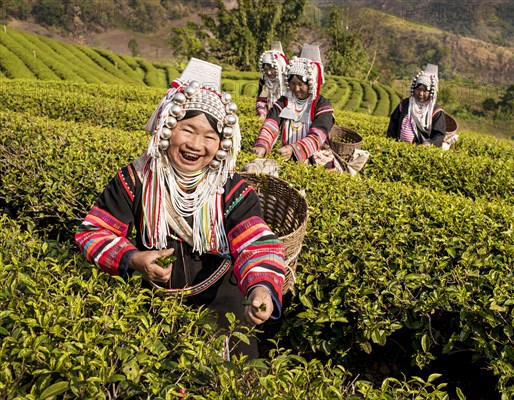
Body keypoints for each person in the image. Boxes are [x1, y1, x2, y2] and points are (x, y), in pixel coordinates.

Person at [74, 58, 286, 359]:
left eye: (210, 137)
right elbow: (94, 232)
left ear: (222, 144)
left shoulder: (230, 188)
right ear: (167, 128)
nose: (197, 145)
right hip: (153, 304)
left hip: (221, 303)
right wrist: (134, 258)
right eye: (188, 130)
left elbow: (256, 242)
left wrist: (260, 289)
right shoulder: (136, 179)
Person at [252, 44, 343, 171]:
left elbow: (318, 135)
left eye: (301, 84)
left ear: (310, 84)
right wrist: (262, 144)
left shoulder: (322, 105)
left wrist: (295, 149)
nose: (296, 89)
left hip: (317, 161)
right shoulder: (285, 101)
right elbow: (271, 123)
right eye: (293, 84)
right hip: (288, 157)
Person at [386, 64, 456, 149]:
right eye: (418, 89)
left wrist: (428, 144)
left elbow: (439, 135)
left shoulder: (436, 112)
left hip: (421, 151)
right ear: (414, 89)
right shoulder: (404, 105)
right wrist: (391, 144)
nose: (421, 93)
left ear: (431, 92)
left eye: (425, 90)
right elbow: (392, 127)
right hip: (399, 148)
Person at [256, 41, 288, 120]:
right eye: (266, 70)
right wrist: (262, 113)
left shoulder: (288, 83)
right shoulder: (265, 83)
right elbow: (261, 101)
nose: (268, 72)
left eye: (271, 69)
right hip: (270, 120)